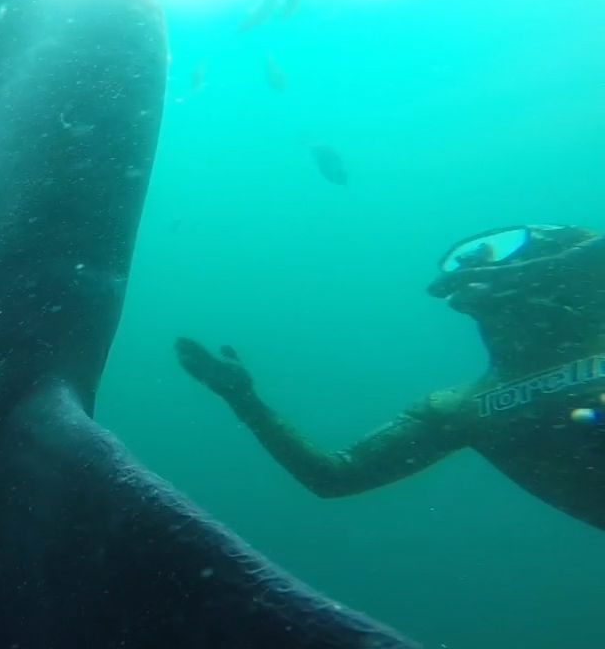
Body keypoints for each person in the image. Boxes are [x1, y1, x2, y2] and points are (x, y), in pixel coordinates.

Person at [176, 224, 605, 530]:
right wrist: (244, 401)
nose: (471, 261)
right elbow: (335, 476)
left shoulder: (467, 408)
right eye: (462, 259)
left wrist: (564, 265)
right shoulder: (461, 408)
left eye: (501, 246)